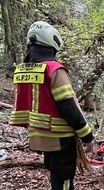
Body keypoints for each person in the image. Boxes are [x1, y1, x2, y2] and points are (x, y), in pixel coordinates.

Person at [9, 21, 94, 190]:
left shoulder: (21, 70)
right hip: (60, 136)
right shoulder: (54, 69)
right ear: (51, 42)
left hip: (38, 135)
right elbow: (68, 107)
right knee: (64, 181)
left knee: (55, 176)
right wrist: (87, 136)